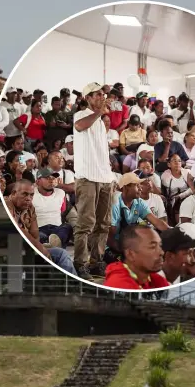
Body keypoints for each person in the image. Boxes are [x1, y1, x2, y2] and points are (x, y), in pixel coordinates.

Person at [72, 82, 116, 280]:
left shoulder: (99, 122)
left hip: (105, 177)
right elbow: (80, 127)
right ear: (87, 98)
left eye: (102, 94)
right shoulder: (82, 115)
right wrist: (99, 112)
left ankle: (96, 262)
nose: (101, 97)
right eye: (96, 94)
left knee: (103, 224)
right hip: (87, 177)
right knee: (85, 224)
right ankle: (80, 264)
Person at [5, 180, 77, 274]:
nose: (29, 198)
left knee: (61, 253)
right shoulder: (6, 204)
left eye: (31, 195)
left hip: (30, 249)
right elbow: (19, 230)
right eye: (25, 194)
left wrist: (40, 248)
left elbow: (35, 234)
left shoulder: (30, 207)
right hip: (13, 253)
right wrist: (40, 248)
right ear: (14, 193)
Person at [107, 173, 169, 259]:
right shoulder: (115, 204)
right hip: (113, 246)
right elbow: (109, 237)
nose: (140, 188)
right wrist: (126, 253)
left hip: (128, 242)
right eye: (136, 185)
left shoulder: (139, 202)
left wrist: (173, 232)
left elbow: (157, 222)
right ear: (126, 188)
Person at [103, 225, 169, 290]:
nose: (161, 252)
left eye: (160, 246)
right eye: (153, 247)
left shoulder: (156, 280)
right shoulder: (120, 286)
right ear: (130, 254)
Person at [33, 168, 73, 247]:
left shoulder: (61, 193)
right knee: (39, 235)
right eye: (47, 178)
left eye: (53, 178)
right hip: (39, 228)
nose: (51, 180)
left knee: (67, 227)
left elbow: (63, 210)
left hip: (57, 229)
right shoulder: (31, 193)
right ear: (38, 181)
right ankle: (50, 243)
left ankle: (50, 243)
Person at [161, 154, 194, 225]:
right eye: (174, 161)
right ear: (169, 164)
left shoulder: (187, 172)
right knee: (177, 204)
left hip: (188, 197)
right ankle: (178, 225)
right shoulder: (165, 175)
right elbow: (165, 192)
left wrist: (180, 196)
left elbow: (193, 189)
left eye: (179, 161)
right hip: (173, 200)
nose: (177, 163)